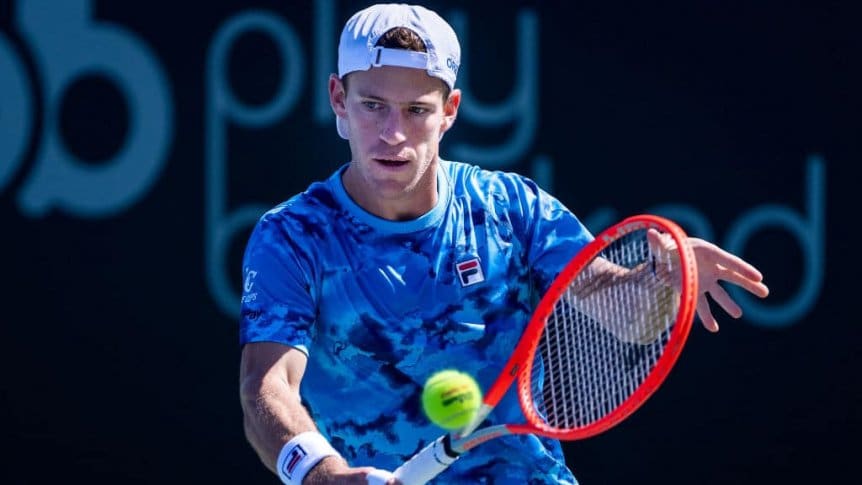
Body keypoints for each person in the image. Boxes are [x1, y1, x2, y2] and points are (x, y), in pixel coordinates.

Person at [237, 4, 770, 484]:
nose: (393, 134)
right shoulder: (292, 236)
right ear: (339, 99)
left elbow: (628, 317)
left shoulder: (511, 208)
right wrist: (322, 474)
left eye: (417, 110)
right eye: (373, 105)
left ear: (449, 111)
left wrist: (662, 280)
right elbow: (267, 385)